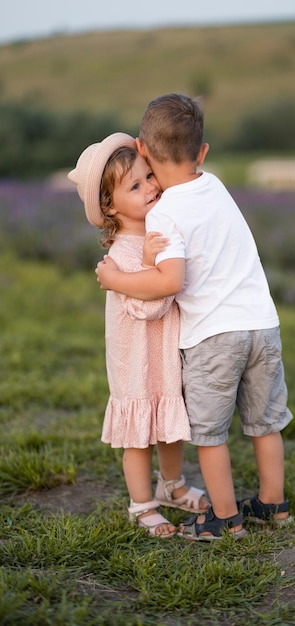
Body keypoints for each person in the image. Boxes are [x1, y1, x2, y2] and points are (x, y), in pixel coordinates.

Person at [95, 96, 293, 541]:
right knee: (265, 423)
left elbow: (169, 282)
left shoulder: (165, 212)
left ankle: (223, 519)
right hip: (263, 323)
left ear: (143, 149)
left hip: (214, 335)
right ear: (202, 154)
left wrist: (114, 279)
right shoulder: (216, 184)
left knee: (208, 433)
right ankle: (273, 504)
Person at [67, 132, 208, 538]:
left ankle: (173, 484)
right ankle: (141, 504)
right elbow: (149, 306)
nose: (150, 187)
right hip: (136, 362)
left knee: (170, 426)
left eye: (149, 176)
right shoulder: (123, 254)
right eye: (135, 185)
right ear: (110, 205)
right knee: (139, 437)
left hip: (162, 356)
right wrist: (148, 268)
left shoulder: (156, 234)